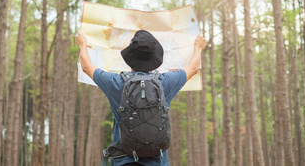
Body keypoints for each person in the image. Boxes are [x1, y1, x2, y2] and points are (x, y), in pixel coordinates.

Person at [75, 29, 207, 166]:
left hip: (123, 161)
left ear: (130, 57)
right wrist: (198, 48)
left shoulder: (116, 83)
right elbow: (193, 68)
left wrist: (82, 44)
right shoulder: (165, 82)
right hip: (158, 162)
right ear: (154, 57)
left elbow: (86, 67)